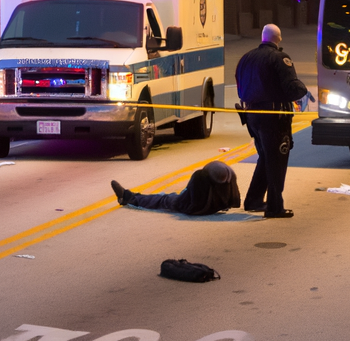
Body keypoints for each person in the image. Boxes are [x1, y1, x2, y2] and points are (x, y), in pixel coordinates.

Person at [235, 23, 309, 219]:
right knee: (277, 159)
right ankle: (275, 207)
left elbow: (239, 87)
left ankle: (254, 200)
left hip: (251, 117)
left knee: (266, 157)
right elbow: (291, 87)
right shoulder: (280, 58)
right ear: (279, 38)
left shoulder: (245, 58)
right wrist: (304, 90)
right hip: (274, 117)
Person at [110, 160, 240, 214]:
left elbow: (189, 203)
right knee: (170, 197)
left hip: (194, 206)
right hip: (216, 205)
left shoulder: (199, 177)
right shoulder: (231, 179)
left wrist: (182, 200)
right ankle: (129, 197)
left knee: (164, 199)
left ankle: (129, 197)